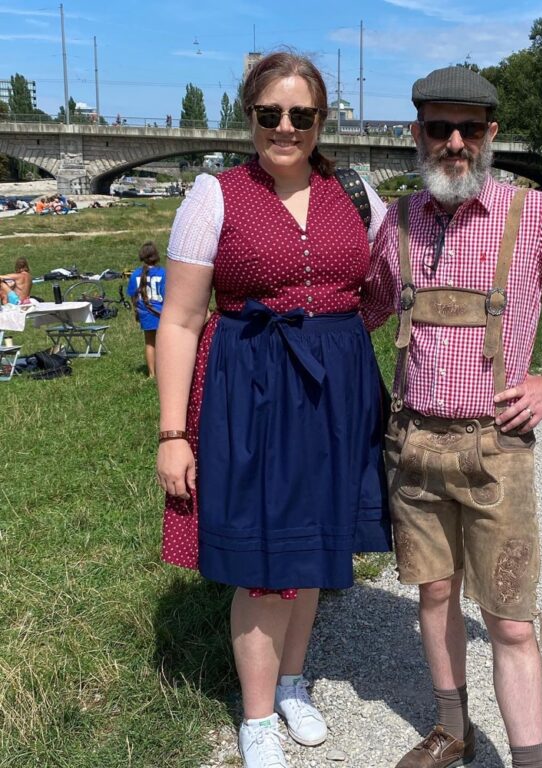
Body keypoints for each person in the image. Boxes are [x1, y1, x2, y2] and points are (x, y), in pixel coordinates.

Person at [363, 66, 542, 768]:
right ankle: (452, 729)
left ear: (490, 134)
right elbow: (362, 309)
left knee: (510, 620)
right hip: (414, 445)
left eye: (468, 128)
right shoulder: (397, 220)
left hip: (498, 450)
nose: (453, 142)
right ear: (416, 135)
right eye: (438, 128)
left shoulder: (533, 214)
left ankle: (529, 761)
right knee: (433, 594)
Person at [154, 52, 391, 768]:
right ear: (248, 116)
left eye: (301, 115)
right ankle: (256, 717)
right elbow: (180, 319)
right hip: (250, 391)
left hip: (334, 391)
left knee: (315, 548)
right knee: (264, 558)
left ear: (322, 121)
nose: (284, 128)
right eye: (269, 115)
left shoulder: (357, 194)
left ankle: (292, 683)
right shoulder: (214, 195)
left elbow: (381, 285)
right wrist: (172, 433)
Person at [127, 242, 166, 377]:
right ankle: (164, 371)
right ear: (156, 256)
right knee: (163, 343)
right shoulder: (162, 273)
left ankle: (151, 374)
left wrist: (137, 311)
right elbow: (167, 295)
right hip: (161, 313)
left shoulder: (134, 275)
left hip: (145, 313)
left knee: (149, 343)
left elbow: (133, 296)